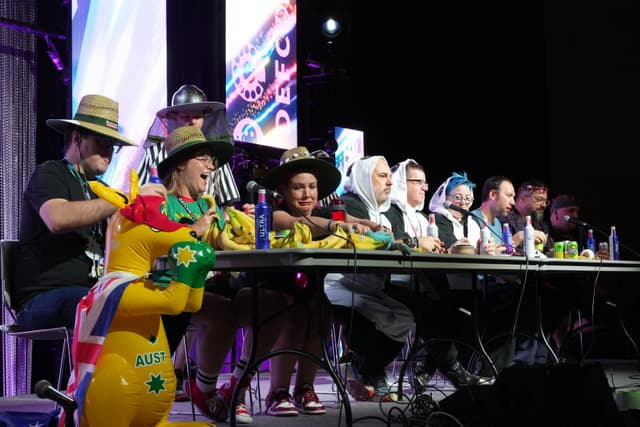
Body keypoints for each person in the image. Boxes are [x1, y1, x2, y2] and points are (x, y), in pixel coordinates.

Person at [14, 94, 165, 387]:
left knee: (155, 299)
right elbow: (58, 218)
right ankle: (90, 398)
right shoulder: (49, 173)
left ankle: (135, 392)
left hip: (89, 293)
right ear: (77, 137)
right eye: (101, 142)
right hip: (41, 299)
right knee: (102, 304)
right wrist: (124, 200)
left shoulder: (101, 189)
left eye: (113, 146)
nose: (109, 152)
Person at [156, 125, 288, 424]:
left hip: (216, 287)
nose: (211, 166)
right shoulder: (161, 202)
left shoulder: (211, 205)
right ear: (179, 163)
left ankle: (236, 385)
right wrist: (195, 230)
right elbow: (159, 251)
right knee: (224, 315)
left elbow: (227, 244)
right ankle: (204, 388)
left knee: (273, 304)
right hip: (172, 291)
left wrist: (245, 226)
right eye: (203, 158)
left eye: (212, 160)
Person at [258, 146, 370, 416]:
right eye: (298, 188)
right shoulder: (274, 215)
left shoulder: (322, 215)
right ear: (283, 191)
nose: (307, 194)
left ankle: (304, 387)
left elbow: (344, 220)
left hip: (311, 290)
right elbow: (303, 223)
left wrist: (372, 226)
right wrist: (335, 226)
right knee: (295, 315)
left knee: (323, 312)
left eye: (312, 186)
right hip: (274, 290)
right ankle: (277, 391)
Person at [384, 160, 489, 389]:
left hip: (424, 284)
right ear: (402, 182)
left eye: (425, 183)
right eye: (418, 182)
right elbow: (389, 243)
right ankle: (452, 369)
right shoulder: (390, 212)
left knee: (463, 308)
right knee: (443, 307)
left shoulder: (421, 217)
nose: (424, 188)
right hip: (395, 285)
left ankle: (429, 366)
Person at [324, 155, 414, 402]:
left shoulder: (393, 212)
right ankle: (372, 373)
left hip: (373, 288)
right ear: (365, 178)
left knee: (404, 317)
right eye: (382, 176)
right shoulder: (349, 205)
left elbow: (400, 240)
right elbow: (366, 242)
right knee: (370, 313)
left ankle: (363, 366)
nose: (390, 183)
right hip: (340, 284)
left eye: (390, 177)